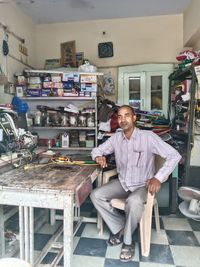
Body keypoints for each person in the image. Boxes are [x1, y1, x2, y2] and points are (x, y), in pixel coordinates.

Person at [90, 105, 181, 262]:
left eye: (126, 115)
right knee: (96, 195)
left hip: (143, 185)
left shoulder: (148, 137)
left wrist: (158, 177)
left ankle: (127, 241)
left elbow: (175, 156)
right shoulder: (116, 138)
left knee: (133, 201)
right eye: (119, 116)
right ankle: (120, 227)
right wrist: (98, 156)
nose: (122, 119)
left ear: (134, 118)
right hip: (123, 183)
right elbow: (96, 150)